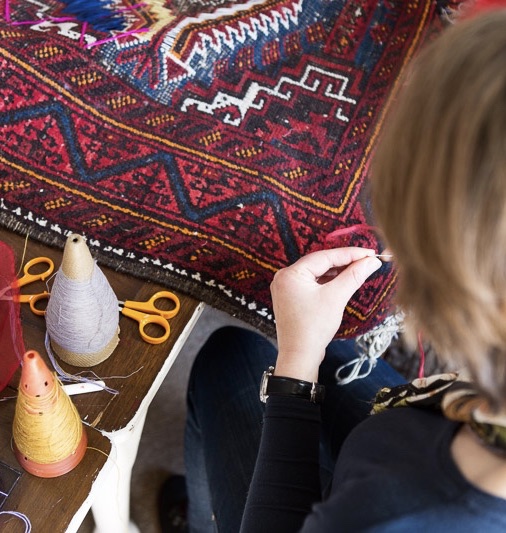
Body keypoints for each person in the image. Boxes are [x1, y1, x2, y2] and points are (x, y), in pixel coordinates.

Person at [159, 5, 506, 532]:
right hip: (430, 419)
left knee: (230, 359)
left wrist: (297, 365)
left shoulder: (401, 513)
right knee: (335, 344)